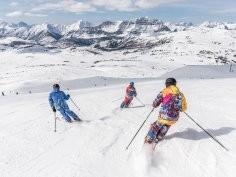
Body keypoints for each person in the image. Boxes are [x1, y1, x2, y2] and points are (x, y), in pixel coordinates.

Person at [145, 78, 187, 143]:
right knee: (167, 125)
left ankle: (149, 138)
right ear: (175, 84)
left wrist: (154, 105)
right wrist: (180, 108)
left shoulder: (164, 92)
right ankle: (159, 137)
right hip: (174, 117)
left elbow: (155, 103)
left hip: (163, 116)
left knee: (156, 125)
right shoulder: (180, 94)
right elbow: (184, 108)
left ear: (167, 84)